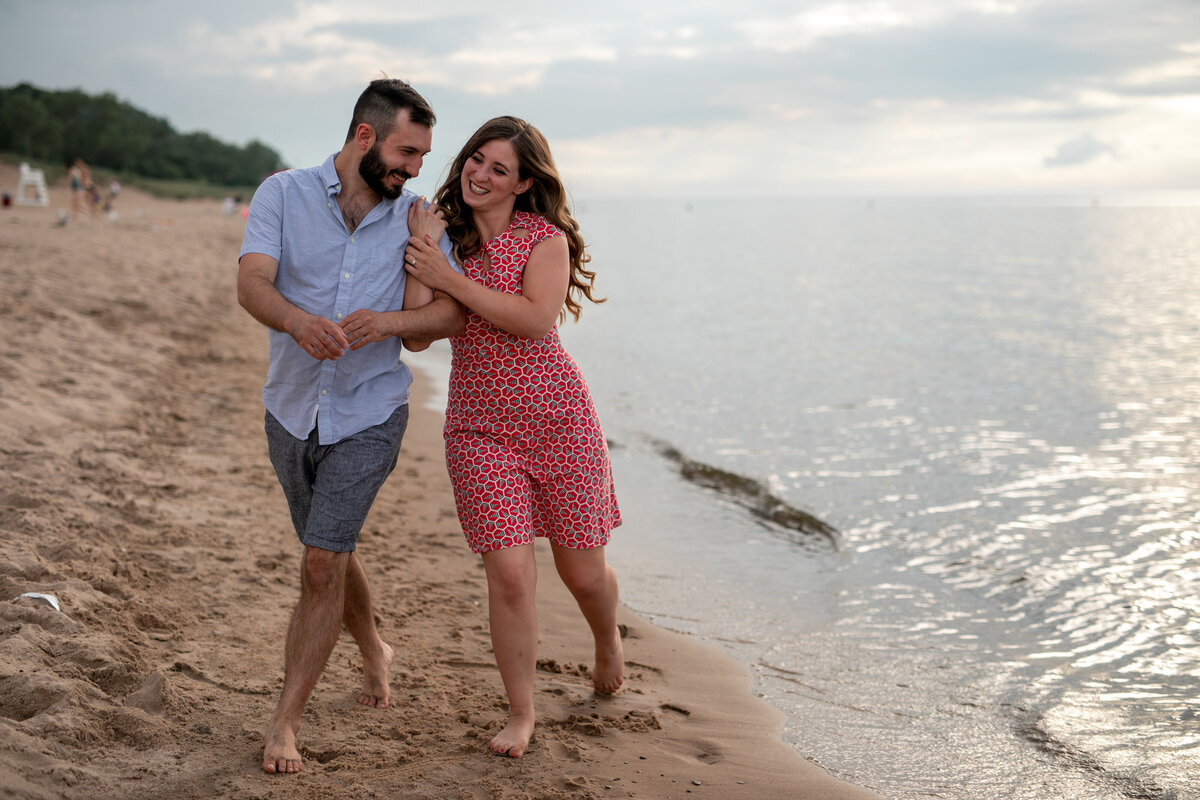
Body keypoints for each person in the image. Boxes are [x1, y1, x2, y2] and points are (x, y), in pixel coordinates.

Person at [236, 78, 465, 775]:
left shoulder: (419, 220)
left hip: (371, 412)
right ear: (364, 136)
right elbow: (252, 284)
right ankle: (373, 647)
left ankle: (284, 724)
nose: (415, 168)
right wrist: (298, 322)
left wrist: (390, 323)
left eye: (424, 155)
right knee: (328, 549)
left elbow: (447, 319)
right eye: (406, 151)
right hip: (290, 410)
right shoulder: (283, 194)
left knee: (319, 561)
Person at [404, 116, 624, 759]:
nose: (480, 174)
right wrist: (427, 251)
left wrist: (452, 282)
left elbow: (533, 321)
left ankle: (606, 636)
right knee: (509, 574)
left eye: (499, 169)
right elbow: (419, 333)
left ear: (524, 183)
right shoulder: (445, 234)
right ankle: (522, 713)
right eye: (477, 160)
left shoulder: (543, 239)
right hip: (479, 429)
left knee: (582, 573)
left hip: (559, 421)